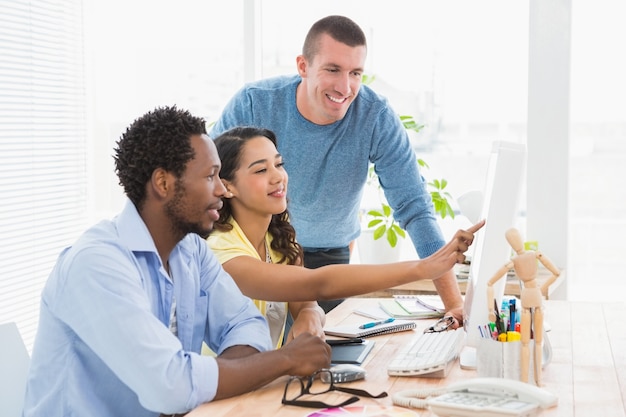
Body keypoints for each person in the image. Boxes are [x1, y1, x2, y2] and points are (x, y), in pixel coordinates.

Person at [22, 106, 331, 417]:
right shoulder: (96, 265)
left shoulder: (191, 252)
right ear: (163, 183)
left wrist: (194, 382)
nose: (222, 190)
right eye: (211, 176)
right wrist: (286, 359)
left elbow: (246, 325)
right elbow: (169, 386)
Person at [209, 15, 465, 323]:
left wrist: (455, 306)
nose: (345, 87)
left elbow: (414, 206)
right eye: (332, 70)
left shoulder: (375, 116)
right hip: (256, 248)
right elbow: (210, 182)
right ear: (303, 66)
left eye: (355, 73)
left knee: (319, 350)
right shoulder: (255, 103)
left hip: (308, 251)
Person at [207, 126, 484, 347]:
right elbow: (319, 284)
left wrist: (309, 315)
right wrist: (422, 267)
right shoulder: (221, 251)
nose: (278, 177)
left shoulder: (275, 238)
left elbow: (306, 301)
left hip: (260, 383)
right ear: (227, 186)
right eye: (260, 170)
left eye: (279, 164)